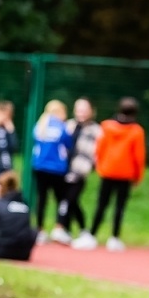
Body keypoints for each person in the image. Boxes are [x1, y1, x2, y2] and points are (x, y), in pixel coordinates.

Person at [74, 97, 146, 252]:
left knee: (101, 205)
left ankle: (92, 235)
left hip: (107, 171)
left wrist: (100, 166)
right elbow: (139, 156)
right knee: (119, 207)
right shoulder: (136, 131)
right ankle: (114, 238)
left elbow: (99, 148)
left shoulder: (106, 126)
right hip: (125, 174)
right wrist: (138, 176)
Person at [57, 97, 101, 245]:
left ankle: (78, 229)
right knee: (68, 201)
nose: (81, 113)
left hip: (79, 171)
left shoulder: (96, 130)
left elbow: (95, 152)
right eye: (79, 109)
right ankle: (68, 230)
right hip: (63, 169)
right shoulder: (68, 125)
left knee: (70, 199)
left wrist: (89, 166)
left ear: (91, 111)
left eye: (84, 109)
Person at [29, 100, 70, 242]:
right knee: (61, 198)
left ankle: (39, 229)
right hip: (57, 169)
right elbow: (68, 144)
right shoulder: (61, 126)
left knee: (41, 199)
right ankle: (59, 227)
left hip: (39, 167)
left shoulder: (40, 125)